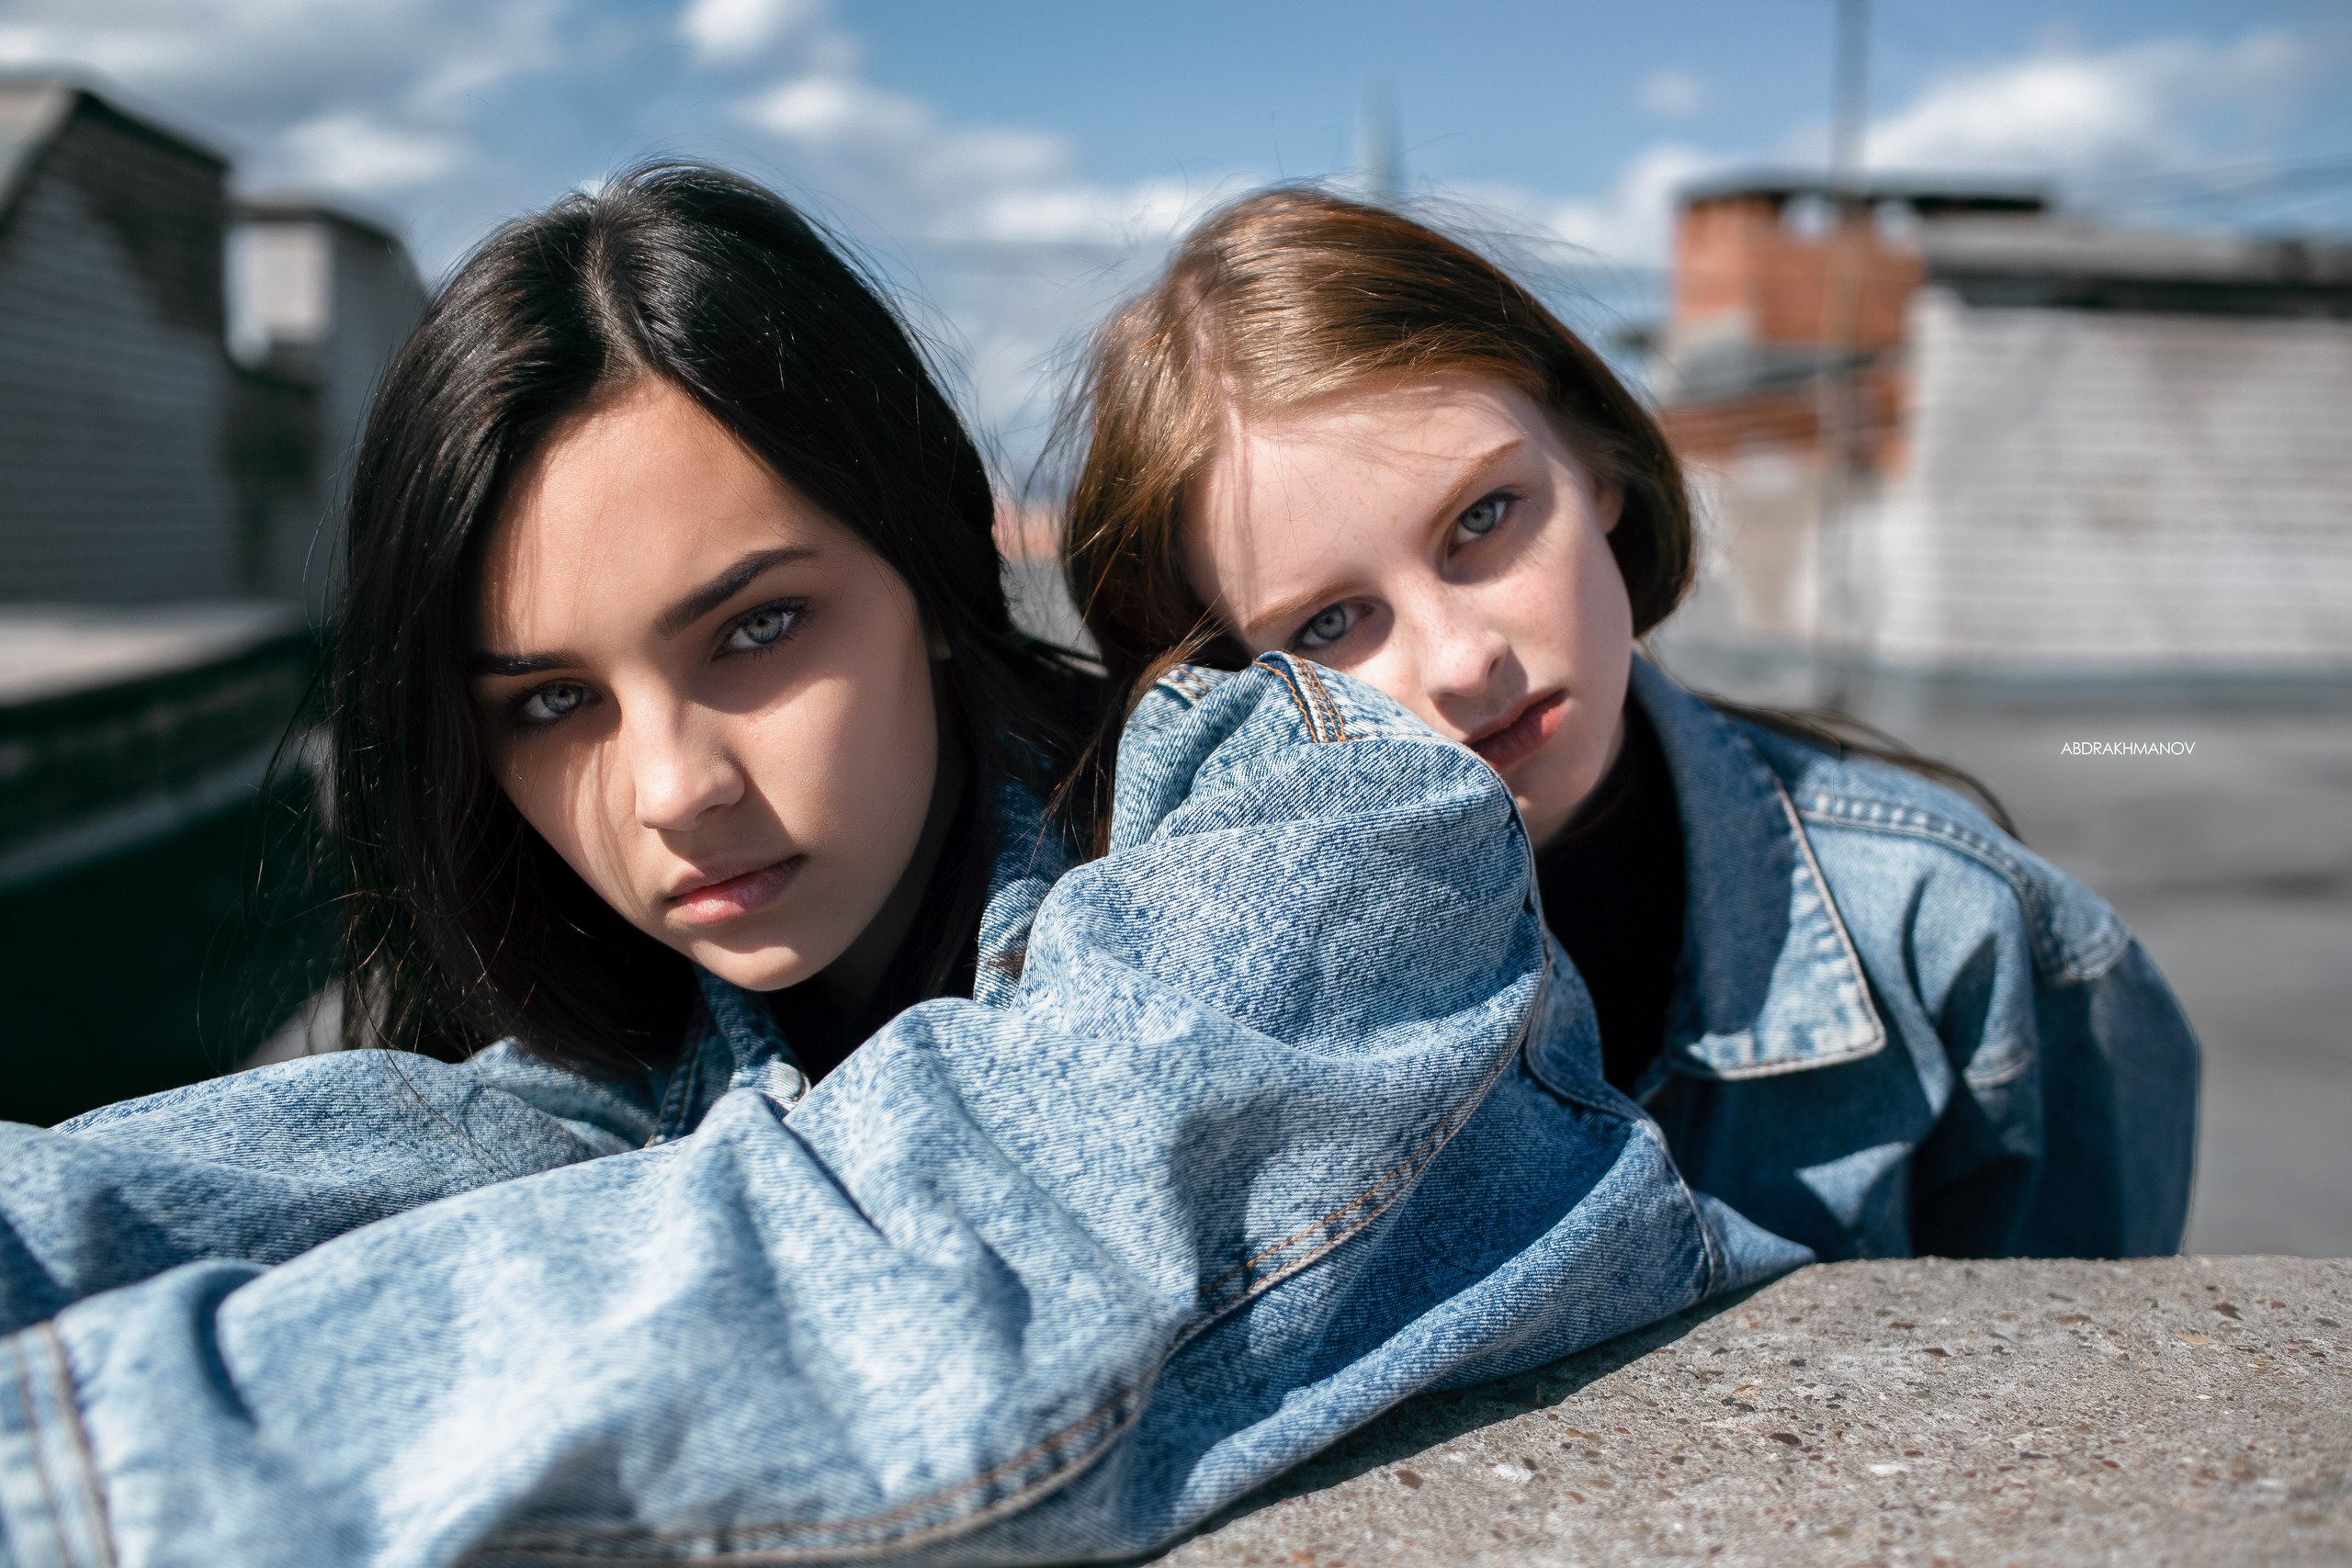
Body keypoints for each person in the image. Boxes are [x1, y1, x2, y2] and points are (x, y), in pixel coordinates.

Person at [0, 166, 1798, 1568]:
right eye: (552, 700)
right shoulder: (624, 1078)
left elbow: (950, 1262)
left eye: (759, 626)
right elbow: (239, 1190)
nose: (672, 786)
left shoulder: (1315, 816)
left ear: (935, 587)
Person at [1060, 186, 2199, 1263]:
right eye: (1328, 624)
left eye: (1484, 517)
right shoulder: (1151, 997)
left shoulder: (1962, 936)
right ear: (1226, 690)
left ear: (1597, 463)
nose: (1465, 663)